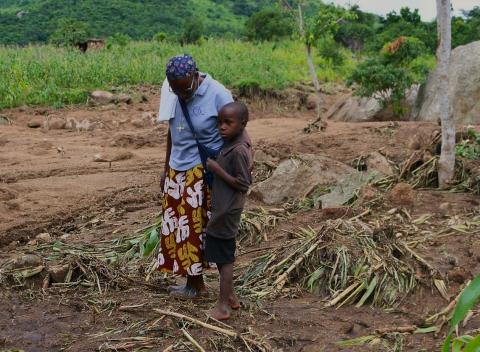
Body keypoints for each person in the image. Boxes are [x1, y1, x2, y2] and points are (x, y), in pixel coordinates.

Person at [157, 54, 234, 299]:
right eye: (175, 90)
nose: (181, 95)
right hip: (177, 169)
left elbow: (233, 135)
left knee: (193, 229)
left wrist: (226, 172)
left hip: (201, 171)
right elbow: (172, 131)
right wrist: (166, 167)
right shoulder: (171, 89)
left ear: (195, 75)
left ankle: (197, 286)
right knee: (177, 228)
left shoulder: (218, 94)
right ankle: (192, 282)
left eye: (185, 89)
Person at [204, 102, 253, 320]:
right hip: (224, 208)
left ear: (242, 124)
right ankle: (231, 297)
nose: (221, 127)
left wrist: (216, 169)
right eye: (219, 123)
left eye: (228, 123)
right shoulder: (235, 141)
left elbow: (243, 183)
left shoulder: (239, 150)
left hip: (226, 212)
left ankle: (222, 307)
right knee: (224, 256)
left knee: (225, 261)